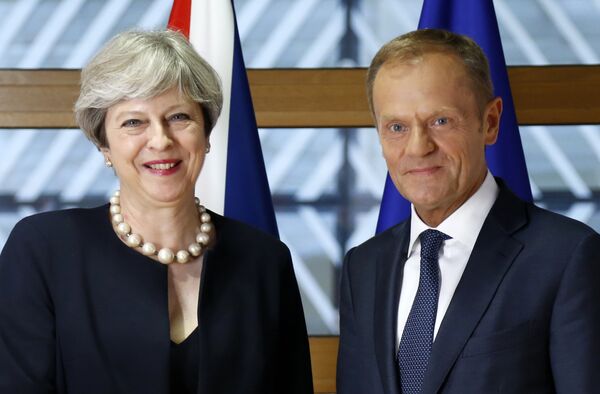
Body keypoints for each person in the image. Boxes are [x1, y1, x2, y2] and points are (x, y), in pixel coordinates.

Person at [0, 30, 313, 394]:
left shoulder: (265, 261)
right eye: (134, 122)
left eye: (179, 117)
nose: (161, 140)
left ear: (206, 134)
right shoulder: (43, 250)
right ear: (103, 143)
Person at [337, 28, 600, 394]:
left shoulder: (568, 257)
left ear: (490, 122)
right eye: (396, 127)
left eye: (440, 121)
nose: (418, 147)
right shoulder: (362, 268)